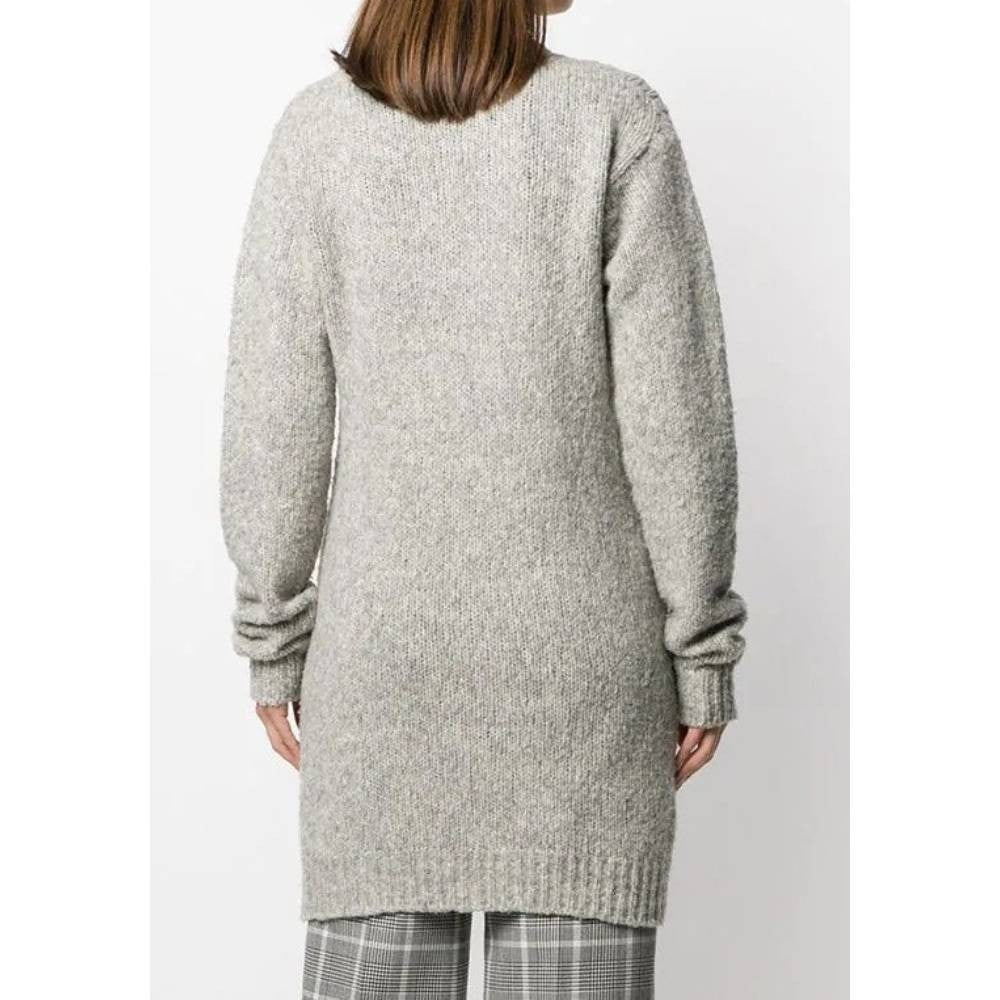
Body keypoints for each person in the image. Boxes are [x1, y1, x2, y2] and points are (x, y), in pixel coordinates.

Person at [221, 1, 747, 996]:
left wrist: (273, 634)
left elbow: (272, 420)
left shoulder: (316, 135)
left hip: (380, 677)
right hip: (580, 687)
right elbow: (678, 419)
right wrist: (700, 647)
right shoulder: (613, 119)